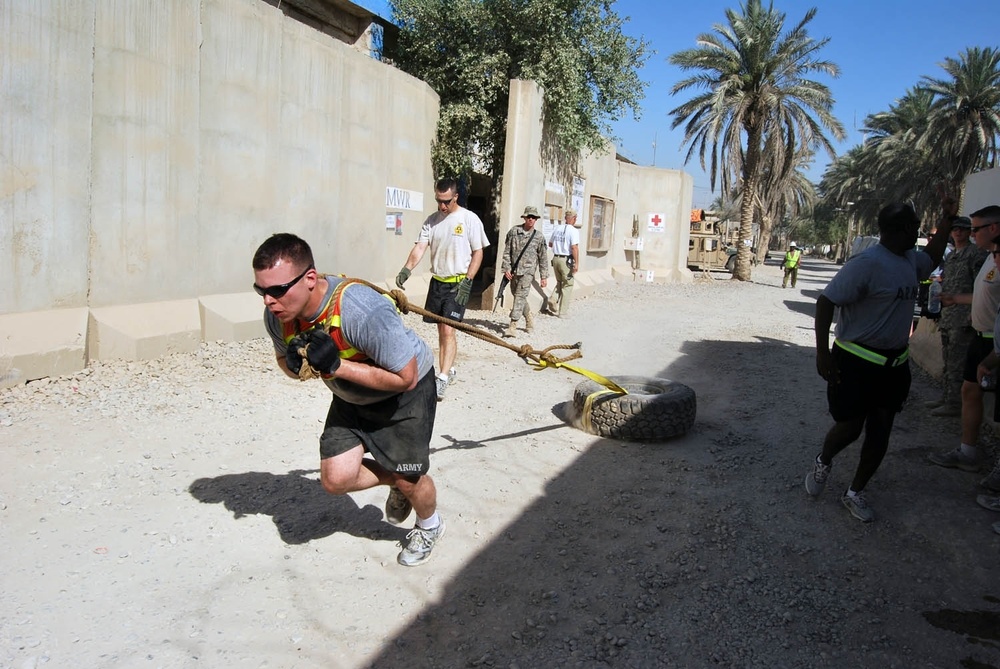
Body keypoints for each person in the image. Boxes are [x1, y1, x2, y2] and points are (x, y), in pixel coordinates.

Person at [253, 233, 444, 567]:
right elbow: (285, 363)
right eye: (262, 290)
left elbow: (406, 377)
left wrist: (337, 365)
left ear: (310, 279)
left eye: (277, 290)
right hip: (352, 397)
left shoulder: (361, 312)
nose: (269, 301)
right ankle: (396, 478)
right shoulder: (279, 317)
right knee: (336, 479)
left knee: (409, 476)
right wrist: (297, 368)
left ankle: (430, 525)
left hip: (405, 396)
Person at [805, 201, 953, 522]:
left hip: (895, 365)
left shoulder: (911, 261)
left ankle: (855, 491)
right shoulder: (867, 264)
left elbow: (935, 254)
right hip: (856, 362)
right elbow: (826, 302)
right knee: (849, 428)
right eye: (914, 227)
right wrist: (823, 352)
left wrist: (947, 216)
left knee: (881, 430)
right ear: (899, 230)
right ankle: (824, 459)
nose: (918, 232)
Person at [395, 178, 490, 401]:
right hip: (438, 282)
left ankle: (443, 377)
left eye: (446, 201)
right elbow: (420, 247)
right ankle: (449, 368)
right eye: (438, 200)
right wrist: (406, 269)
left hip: (458, 283)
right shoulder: (432, 221)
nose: (442, 206)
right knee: (441, 329)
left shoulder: (469, 219)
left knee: (448, 330)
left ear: (455, 197)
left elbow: (478, 252)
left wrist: (468, 280)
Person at [928, 205, 1000, 472]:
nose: (969, 234)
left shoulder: (983, 257)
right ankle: (968, 452)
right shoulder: (990, 258)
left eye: (975, 229)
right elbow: (981, 295)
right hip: (979, 335)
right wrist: (955, 299)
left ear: (992, 229)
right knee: (969, 389)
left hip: (993, 339)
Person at [926, 216, 987, 417]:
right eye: (955, 229)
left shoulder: (975, 254)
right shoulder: (951, 256)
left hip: (964, 317)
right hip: (948, 315)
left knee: (958, 363)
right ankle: (946, 397)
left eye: (962, 229)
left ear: (969, 232)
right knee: (948, 359)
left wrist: (972, 313)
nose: (958, 233)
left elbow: (980, 287)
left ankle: (954, 404)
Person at [501, 206, 549, 338]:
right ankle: (528, 318)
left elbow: (543, 258)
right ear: (524, 218)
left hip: (528, 272)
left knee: (520, 296)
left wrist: (544, 276)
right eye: (529, 217)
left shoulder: (539, 237)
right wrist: (506, 268)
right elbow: (507, 252)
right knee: (517, 295)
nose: (531, 220)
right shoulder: (514, 232)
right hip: (514, 271)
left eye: (534, 218)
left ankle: (513, 325)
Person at [546, 209, 581, 317]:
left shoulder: (557, 228)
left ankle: (553, 298)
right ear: (574, 219)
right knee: (568, 284)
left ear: (566, 218)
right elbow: (574, 247)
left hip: (555, 258)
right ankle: (563, 312)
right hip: (566, 260)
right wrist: (577, 263)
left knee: (560, 281)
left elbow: (550, 244)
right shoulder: (574, 231)